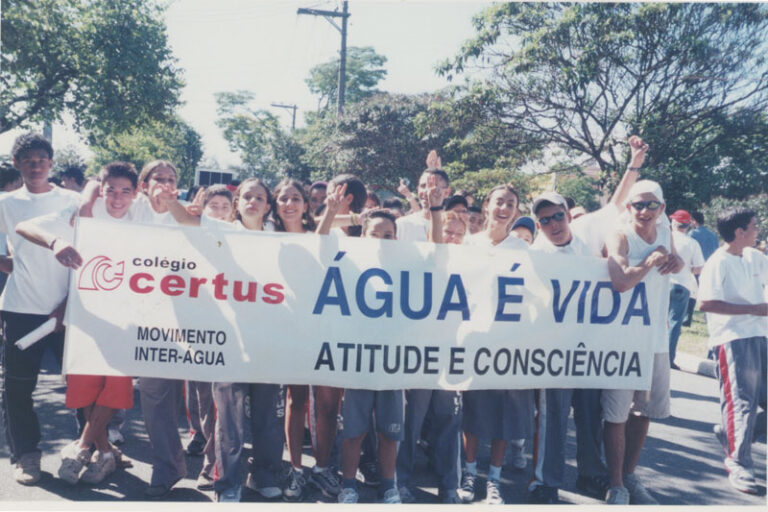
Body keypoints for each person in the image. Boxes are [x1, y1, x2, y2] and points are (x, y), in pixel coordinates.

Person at [158, 178, 284, 502]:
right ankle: (228, 483)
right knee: (228, 417)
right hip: (230, 337)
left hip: (271, 339)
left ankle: (264, 473)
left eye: (260, 197)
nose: (253, 202)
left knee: (269, 416)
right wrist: (172, 200)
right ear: (237, 202)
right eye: (247, 197)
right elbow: (186, 220)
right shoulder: (223, 231)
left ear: (268, 205)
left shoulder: (280, 239)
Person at [16, 161, 142, 485]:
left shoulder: (142, 218)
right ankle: (106, 453)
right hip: (84, 316)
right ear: (100, 188)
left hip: (127, 319)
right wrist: (57, 242)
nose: (116, 198)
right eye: (109, 189)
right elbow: (25, 227)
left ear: (135, 193)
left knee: (115, 388)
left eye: (125, 191)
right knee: (85, 387)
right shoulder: (81, 211)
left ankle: (83, 447)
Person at [0, 133, 81, 485]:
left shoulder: (73, 201)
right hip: (20, 310)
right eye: (28, 160)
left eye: (41, 159)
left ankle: (91, 448)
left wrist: (68, 304)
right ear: (17, 164)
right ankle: (27, 456)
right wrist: (17, 266)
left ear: (51, 163)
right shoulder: (5, 203)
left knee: (84, 385)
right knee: (17, 387)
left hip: (72, 309)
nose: (35, 165)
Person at [317, 192, 403, 504]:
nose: (381, 240)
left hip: (393, 363)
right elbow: (320, 245)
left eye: (388, 235)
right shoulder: (349, 262)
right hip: (358, 361)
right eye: (374, 234)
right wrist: (328, 213)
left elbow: (438, 253)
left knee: (389, 432)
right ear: (362, 235)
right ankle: (349, 484)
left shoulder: (409, 266)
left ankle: (389, 485)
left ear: (397, 238)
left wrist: (434, 208)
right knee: (353, 430)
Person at [603, 179, 683, 505]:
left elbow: (674, 261)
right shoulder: (619, 234)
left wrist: (674, 261)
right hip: (621, 342)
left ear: (662, 209)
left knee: (643, 412)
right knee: (616, 415)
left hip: (656, 342)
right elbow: (620, 281)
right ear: (628, 207)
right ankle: (615, 483)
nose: (645, 211)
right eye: (638, 204)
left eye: (652, 205)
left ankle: (631, 476)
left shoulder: (666, 232)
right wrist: (648, 263)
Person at [460, 184, 532, 505]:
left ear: (516, 211)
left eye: (511, 204)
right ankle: (469, 472)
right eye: (499, 202)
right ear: (487, 205)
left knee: (505, 415)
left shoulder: (523, 249)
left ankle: (494, 480)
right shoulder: (468, 243)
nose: (504, 208)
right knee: (473, 411)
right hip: (474, 338)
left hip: (510, 342)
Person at [396, 176, 463, 504]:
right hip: (420, 352)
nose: (451, 238)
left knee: (449, 420)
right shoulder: (425, 259)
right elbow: (436, 243)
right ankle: (401, 479)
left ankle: (449, 483)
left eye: (458, 234)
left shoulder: (472, 265)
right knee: (413, 420)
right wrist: (437, 209)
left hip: (453, 355)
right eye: (447, 232)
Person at [698, 207, 767, 495]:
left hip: (760, 335)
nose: (757, 230)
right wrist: (752, 309)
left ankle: (734, 435)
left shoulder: (754, 257)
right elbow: (705, 303)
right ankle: (739, 463)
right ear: (739, 231)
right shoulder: (718, 262)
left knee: (752, 405)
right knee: (742, 403)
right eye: (753, 226)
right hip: (732, 338)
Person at [667, 210, 704, 369]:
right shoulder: (692, 243)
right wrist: (687, 268)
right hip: (682, 285)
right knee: (675, 323)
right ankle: (668, 358)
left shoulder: (664, 239)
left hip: (662, 284)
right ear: (687, 226)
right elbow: (698, 268)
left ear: (674, 223)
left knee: (656, 321)